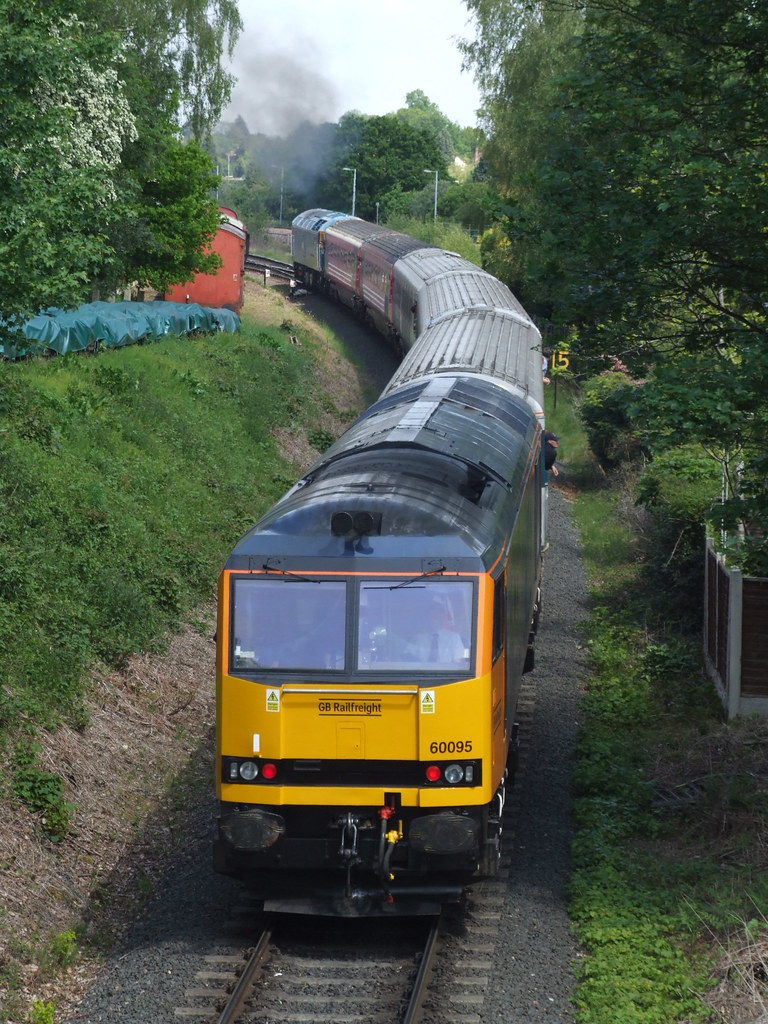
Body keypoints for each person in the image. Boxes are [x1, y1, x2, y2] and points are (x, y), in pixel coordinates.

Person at [405, 602, 467, 666]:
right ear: (427, 617)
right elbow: (408, 658)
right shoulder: (418, 638)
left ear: (443, 616)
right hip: (421, 673)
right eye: (431, 615)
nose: (434, 617)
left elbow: (458, 661)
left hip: (446, 674)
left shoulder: (454, 638)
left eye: (437, 614)